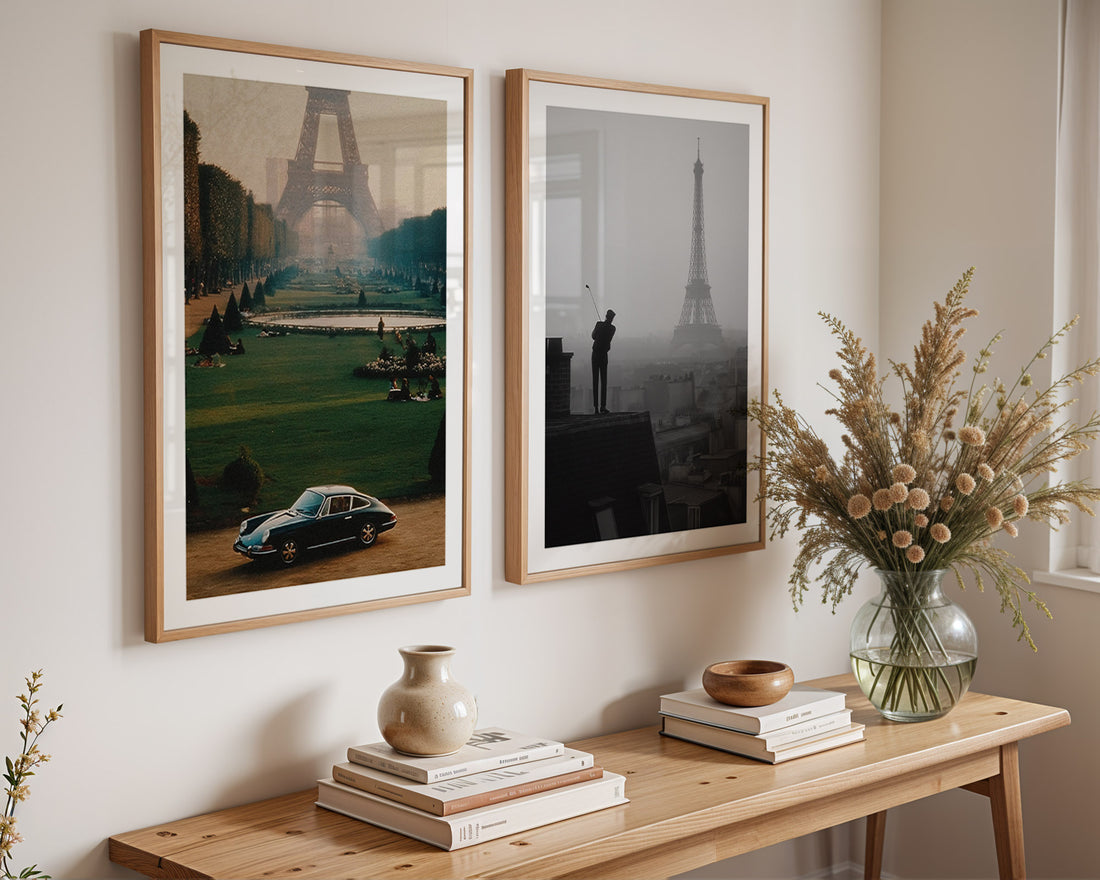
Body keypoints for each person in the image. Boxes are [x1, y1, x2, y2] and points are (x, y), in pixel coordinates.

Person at [590, 308, 616, 413]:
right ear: (612, 318)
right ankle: (603, 406)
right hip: (603, 355)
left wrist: (600, 326)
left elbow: (593, 336)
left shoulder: (599, 325)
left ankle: (596, 407)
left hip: (595, 354)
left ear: (606, 316)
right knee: (603, 381)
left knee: (595, 380)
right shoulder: (612, 328)